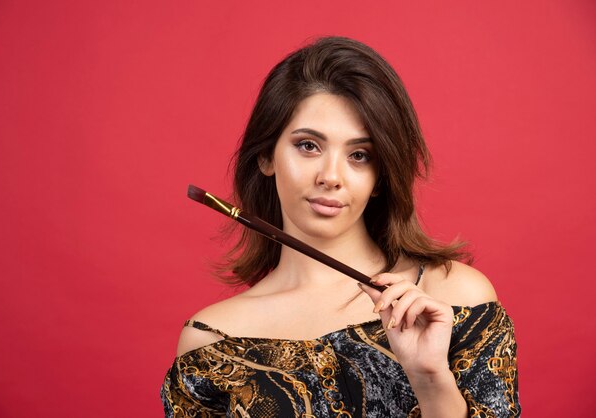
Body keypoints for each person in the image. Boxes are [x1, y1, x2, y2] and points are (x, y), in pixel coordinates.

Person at [161, 36, 520, 417]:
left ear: (381, 176)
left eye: (359, 155)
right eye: (308, 146)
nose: (331, 176)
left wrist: (430, 379)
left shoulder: (455, 298)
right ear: (266, 155)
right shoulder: (212, 341)